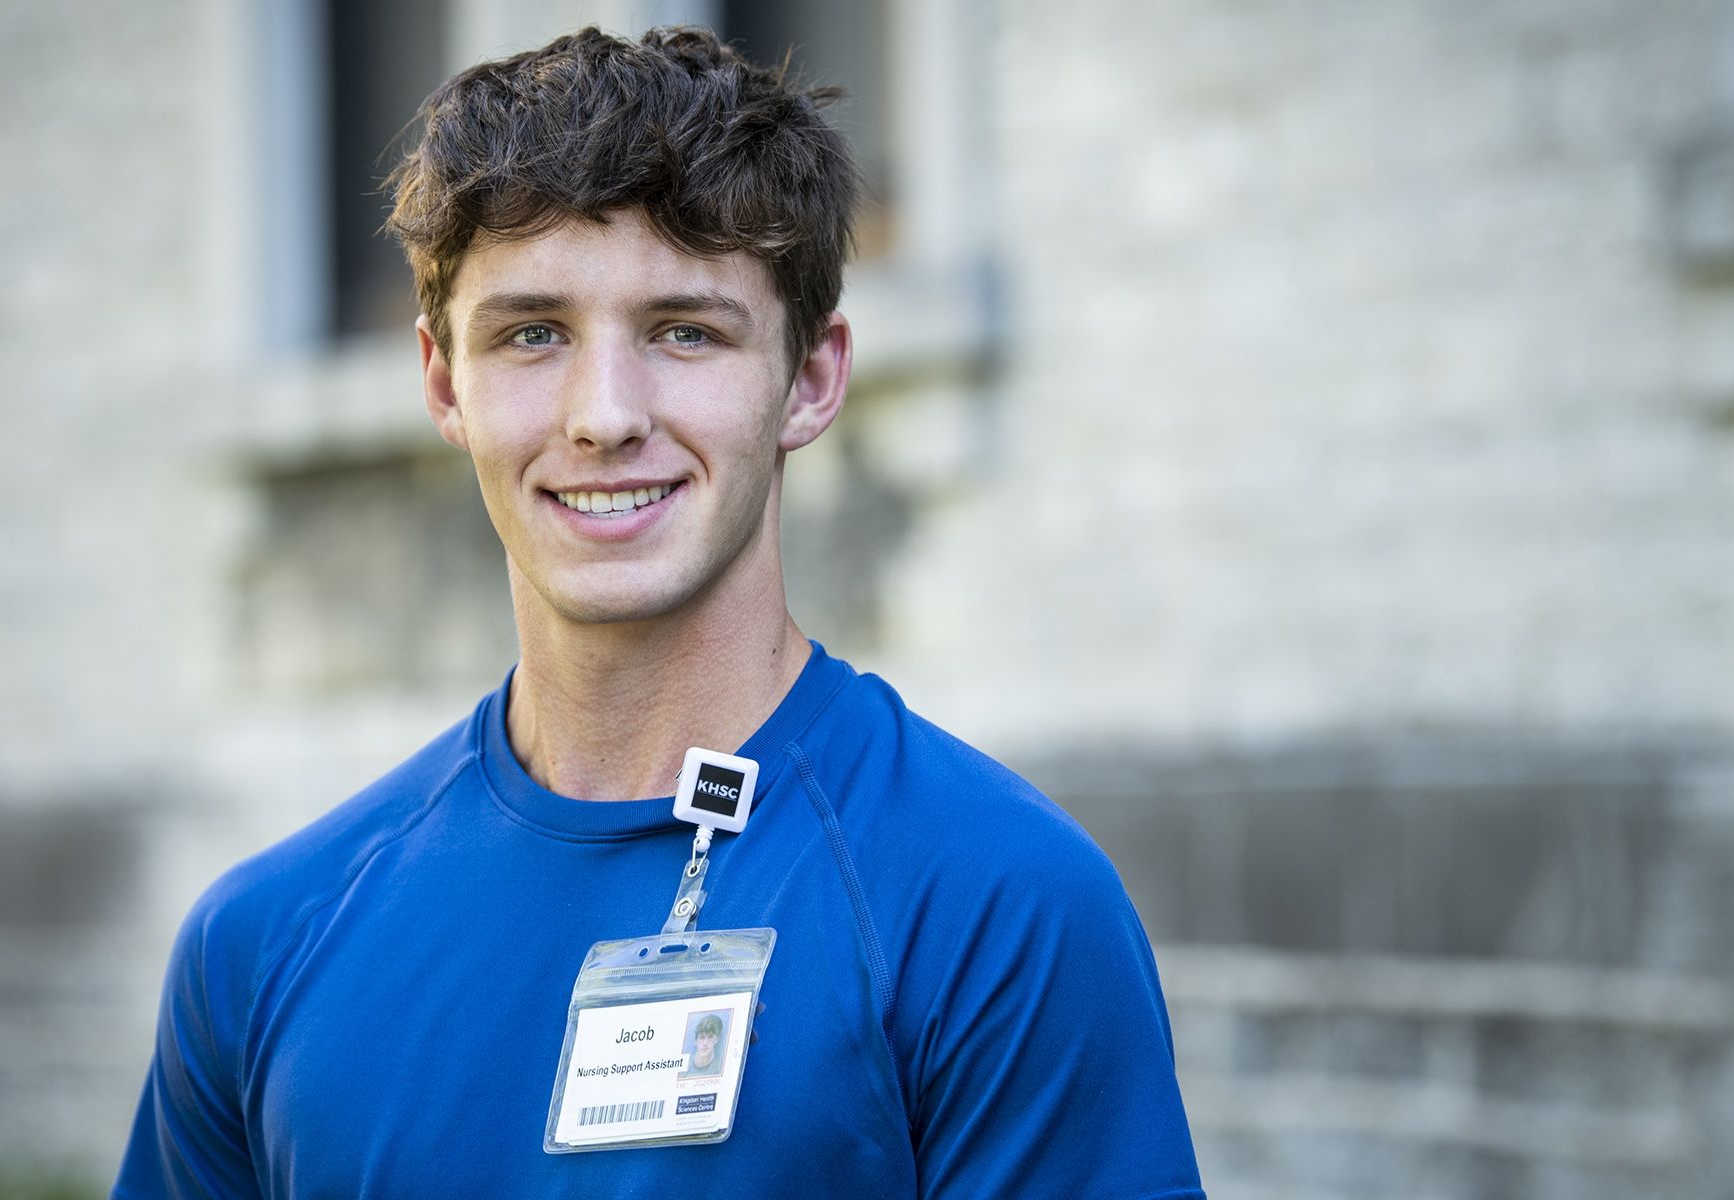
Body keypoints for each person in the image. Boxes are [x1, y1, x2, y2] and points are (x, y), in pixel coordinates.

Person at [113, 25, 1206, 1199]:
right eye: (533, 334)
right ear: (443, 383)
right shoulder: (261, 946)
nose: (604, 415)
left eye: (685, 330)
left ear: (812, 377)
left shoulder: (1002, 908)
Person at [681, 1012, 726, 1079]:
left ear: (716, 1039)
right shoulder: (684, 1069)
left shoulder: (720, 1069)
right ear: (696, 1041)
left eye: (710, 1037)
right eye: (702, 1037)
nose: (705, 1043)